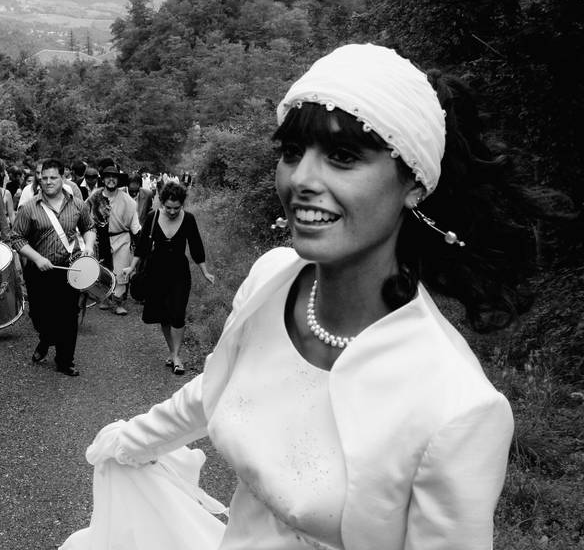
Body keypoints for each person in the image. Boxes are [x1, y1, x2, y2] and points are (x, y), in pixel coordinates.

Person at [79, 44, 523, 549]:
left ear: (414, 185)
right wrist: (125, 444)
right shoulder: (272, 278)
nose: (301, 181)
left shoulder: (457, 407)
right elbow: (221, 387)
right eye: (292, 153)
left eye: (343, 156)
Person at [9, 159, 96, 377]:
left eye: (53, 177)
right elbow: (16, 238)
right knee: (40, 316)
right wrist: (36, 258)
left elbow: (90, 227)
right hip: (39, 270)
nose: (48, 182)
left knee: (69, 315)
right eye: (44, 177)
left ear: (63, 177)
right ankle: (46, 338)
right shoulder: (29, 207)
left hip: (69, 270)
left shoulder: (77, 204)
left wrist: (89, 247)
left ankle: (65, 360)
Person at [125, 182, 214, 373]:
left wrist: (205, 271)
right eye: (168, 208)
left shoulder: (189, 219)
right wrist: (131, 267)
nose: (172, 212)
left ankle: (176, 356)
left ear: (182, 204)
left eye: (177, 208)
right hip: (156, 272)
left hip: (179, 272)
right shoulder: (152, 216)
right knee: (164, 315)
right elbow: (142, 246)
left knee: (178, 313)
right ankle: (173, 353)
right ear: (162, 203)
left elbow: (196, 246)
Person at [87, 165, 142, 315]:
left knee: (121, 270)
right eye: (108, 176)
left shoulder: (128, 201)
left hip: (122, 238)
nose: (111, 179)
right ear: (103, 179)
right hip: (101, 239)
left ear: (118, 180)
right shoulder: (95, 197)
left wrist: (142, 239)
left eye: (114, 176)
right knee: (103, 270)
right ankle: (104, 298)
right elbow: (85, 217)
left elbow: (135, 224)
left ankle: (119, 302)